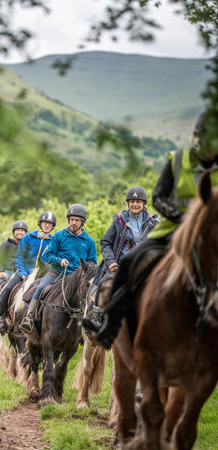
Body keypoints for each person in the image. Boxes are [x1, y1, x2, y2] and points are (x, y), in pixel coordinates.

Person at [86, 109, 218, 349]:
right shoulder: (177, 161)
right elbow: (158, 197)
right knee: (128, 263)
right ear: (197, 139)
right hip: (170, 231)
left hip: (209, 235)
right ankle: (109, 327)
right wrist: (183, 218)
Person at [19, 203, 97, 334]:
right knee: (40, 288)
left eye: (76, 220)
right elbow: (48, 255)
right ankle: (29, 318)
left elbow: (93, 263)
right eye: (71, 219)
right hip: (57, 272)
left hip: (77, 277)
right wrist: (59, 260)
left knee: (90, 295)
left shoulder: (89, 241)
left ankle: (89, 326)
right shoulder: (59, 236)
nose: (73, 222)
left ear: (82, 222)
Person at [0, 211, 56, 332]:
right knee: (7, 289)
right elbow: (19, 257)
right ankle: (0, 318)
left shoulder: (53, 241)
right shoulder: (28, 238)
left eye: (50, 224)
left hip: (42, 275)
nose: (47, 225)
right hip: (25, 272)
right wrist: (22, 272)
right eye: (45, 223)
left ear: (52, 226)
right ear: (40, 224)